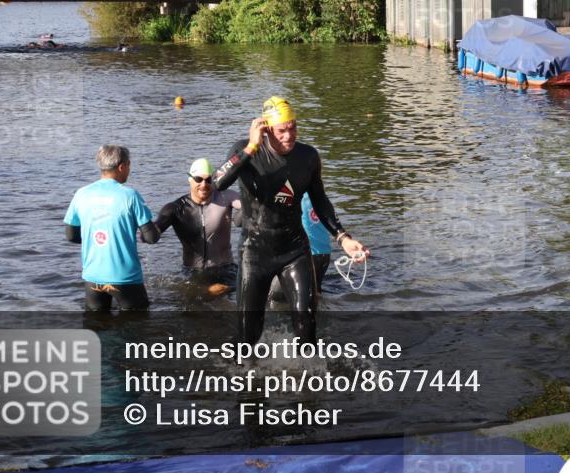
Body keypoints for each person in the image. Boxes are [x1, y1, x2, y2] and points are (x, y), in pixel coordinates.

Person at [214, 97, 370, 345]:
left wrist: (343, 238)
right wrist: (251, 148)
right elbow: (217, 183)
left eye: (293, 128)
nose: (289, 136)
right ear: (266, 130)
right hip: (255, 252)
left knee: (306, 325)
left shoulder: (307, 156)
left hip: (294, 249)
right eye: (281, 130)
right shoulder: (245, 150)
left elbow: (320, 200)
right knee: (248, 333)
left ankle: (308, 377)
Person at [64, 145, 160, 311]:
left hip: (93, 278)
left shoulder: (81, 194)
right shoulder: (130, 195)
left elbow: (71, 236)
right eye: (129, 165)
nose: (129, 170)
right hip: (125, 279)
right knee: (137, 326)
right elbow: (151, 238)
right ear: (122, 166)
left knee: (98, 326)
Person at [155, 158, 242, 298]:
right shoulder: (177, 208)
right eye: (198, 179)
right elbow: (154, 232)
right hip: (192, 271)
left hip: (226, 269)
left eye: (209, 180)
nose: (204, 185)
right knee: (197, 300)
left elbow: (248, 205)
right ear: (189, 179)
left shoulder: (226, 197)